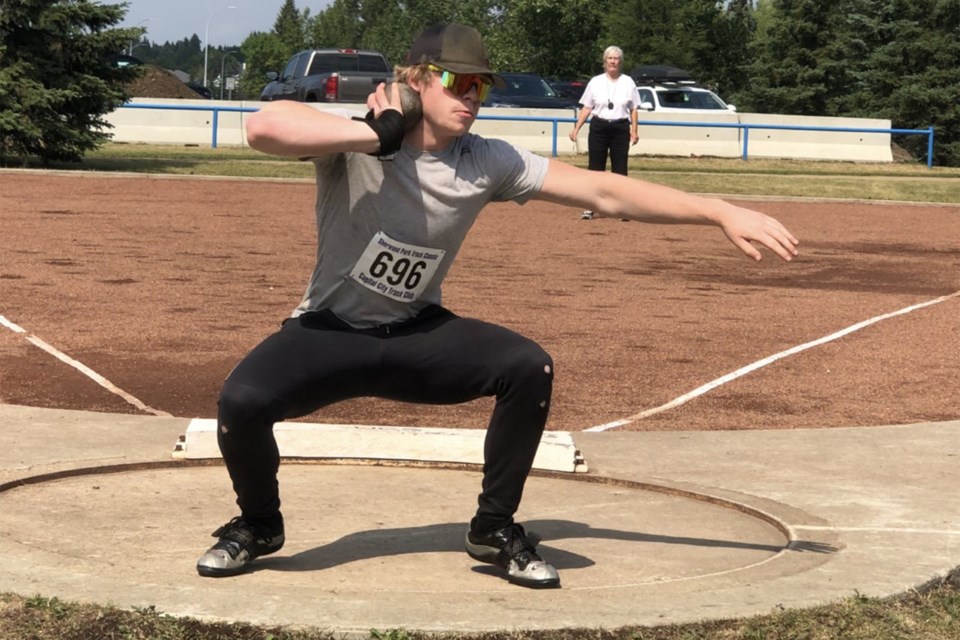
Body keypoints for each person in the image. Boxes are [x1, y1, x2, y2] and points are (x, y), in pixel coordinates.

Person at [195, 23, 799, 590]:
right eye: (459, 82)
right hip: (329, 332)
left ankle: (492, 528)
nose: (473, 95)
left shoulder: (486, 160)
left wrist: (719, 210)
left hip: (415, 334)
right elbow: (263, 127)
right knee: (242, 400)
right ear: (417, 81)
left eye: (481, 84)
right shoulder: (353, 142)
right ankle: (260, 523)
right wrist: (376, 136)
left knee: (525, 366)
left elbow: (605, 190)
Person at [568, 46, 641, 220]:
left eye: (616, 58)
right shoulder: (595, 82)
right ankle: (590, 206)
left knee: (620, 168)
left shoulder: (628, 82)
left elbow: (634, 109)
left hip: (620, 127)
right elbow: (587, 107)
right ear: (605, 61)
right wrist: (577, 127)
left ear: (621, 62)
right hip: (599, 127)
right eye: (610, 58)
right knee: (595, 168)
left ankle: (623, 208)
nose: (613, 61)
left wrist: (634, 130)